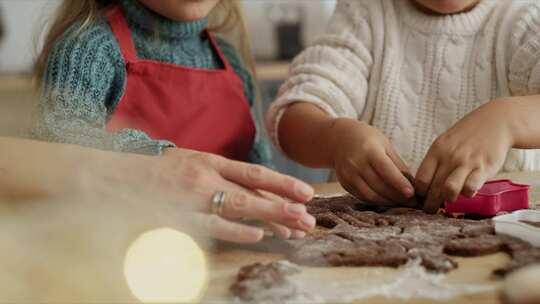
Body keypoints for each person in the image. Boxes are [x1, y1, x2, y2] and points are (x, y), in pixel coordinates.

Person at [30, 0, 316, 239]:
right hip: (125, 252)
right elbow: (56, 139)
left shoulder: (228, 58)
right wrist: (156, 160)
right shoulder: (88, 46)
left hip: (233, 251)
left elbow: (256, 168)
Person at [266, 0, 540, 213]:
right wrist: (337, 140)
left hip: (501, 232)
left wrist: (509, 120)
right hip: (370, 240)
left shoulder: (525, 18)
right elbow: (293, 114)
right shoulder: (364, 13)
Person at [0, 136, 315, 243]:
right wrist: (145, 165)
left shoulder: (226, 53)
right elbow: (62, 133)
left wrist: (257, 194)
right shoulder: (88, 45)